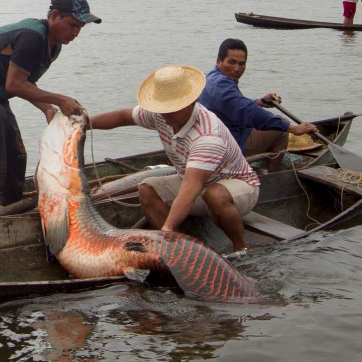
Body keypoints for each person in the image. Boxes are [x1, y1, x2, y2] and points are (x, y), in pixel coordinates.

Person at [0, 0, 102, 215]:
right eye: (72, 25)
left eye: (80, 28)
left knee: (17, 151)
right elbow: (14, 85)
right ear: (54, 16)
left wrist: (47, 108)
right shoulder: (32, 37)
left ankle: (11, 202)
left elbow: (25, 83)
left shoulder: (53, 46)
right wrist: (59, 99)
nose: (75, 33)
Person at [89, 65, 258, 254]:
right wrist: (85, 123)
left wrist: (166, 227)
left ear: (189, 102)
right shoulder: (160, 115)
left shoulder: (207, 136)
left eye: (171, 109)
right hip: (196, 183)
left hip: (238, 186)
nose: (164, 114)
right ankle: (177, 249)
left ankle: (240, 248)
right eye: (162, 108)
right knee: (147, 188)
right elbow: (122, 117)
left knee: (214, 194)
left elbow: (190, 188)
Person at [196, 38, 317, 163]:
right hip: (228, 145)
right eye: (231, 62)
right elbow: (247, 111)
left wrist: (259, 102)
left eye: (242, 64)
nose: (237, 68)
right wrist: (292, 128)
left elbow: (234, 105)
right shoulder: (221, 84)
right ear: (219, 61)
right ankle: (272, 176)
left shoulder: (211, 77)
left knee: (275, 123)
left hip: (217, 137)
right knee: (281, 126)